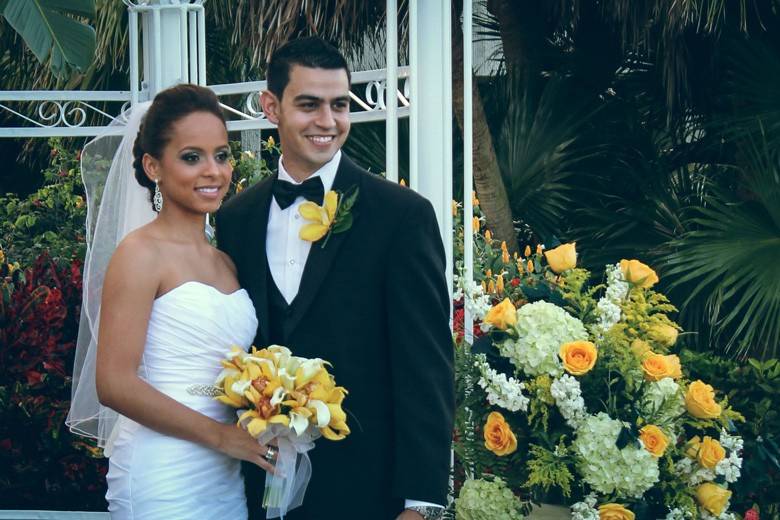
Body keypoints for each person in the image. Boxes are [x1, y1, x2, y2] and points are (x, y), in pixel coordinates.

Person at [216, 37, 455, 520]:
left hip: (367, 486)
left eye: (339, 105)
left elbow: (426, 364)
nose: (327, 121)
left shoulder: (401, 215)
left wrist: (422, 501)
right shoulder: (235, 217)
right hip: (260, 482)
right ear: (271, 107)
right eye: (309, 105)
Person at [67, 84, 276, 519]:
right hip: (163, 470)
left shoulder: (225, 263)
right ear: (152, 165)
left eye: (221, 155)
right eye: (191, 156)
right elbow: (114, 384)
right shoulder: (140, 253)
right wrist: (221, 437)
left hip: (224, 473)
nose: (214, 171)